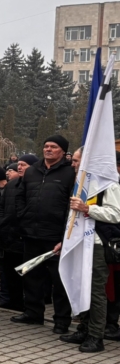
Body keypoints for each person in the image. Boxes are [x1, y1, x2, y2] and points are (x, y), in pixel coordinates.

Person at [12, 135, 76, 333]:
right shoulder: (32, 171)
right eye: (46, 146)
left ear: (63, 151)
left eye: (53, 147)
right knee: (32, 276)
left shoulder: (70, 173)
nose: (48, 149)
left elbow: (71, 206)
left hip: (55, 236)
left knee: (59, 280)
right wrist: (22, 215)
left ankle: (61, 320)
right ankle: (33, 313)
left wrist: (65, 235)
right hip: (31, 233)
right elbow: (20, 196)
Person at [61, 149, 120, 353]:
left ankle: (96, 336)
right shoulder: (80, 184)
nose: (73, 164)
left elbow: (116, 214)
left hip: (96, 244)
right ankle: (84, 329)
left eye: (77, 161)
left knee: (95, 291)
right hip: (78, 243)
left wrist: (87, 209)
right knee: (80, 287)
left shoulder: (109, 184)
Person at [0, 158, 32, 311]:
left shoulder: (34, 185)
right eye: (19, 165)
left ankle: (24, 303)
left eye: (23, 165)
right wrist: (0, 222)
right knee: (8, 270)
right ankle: (10, 300)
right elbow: (1, 207)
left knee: (23, 271)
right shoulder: (11, 185)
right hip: (7, 234)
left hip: (22, 235)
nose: (20, 167)